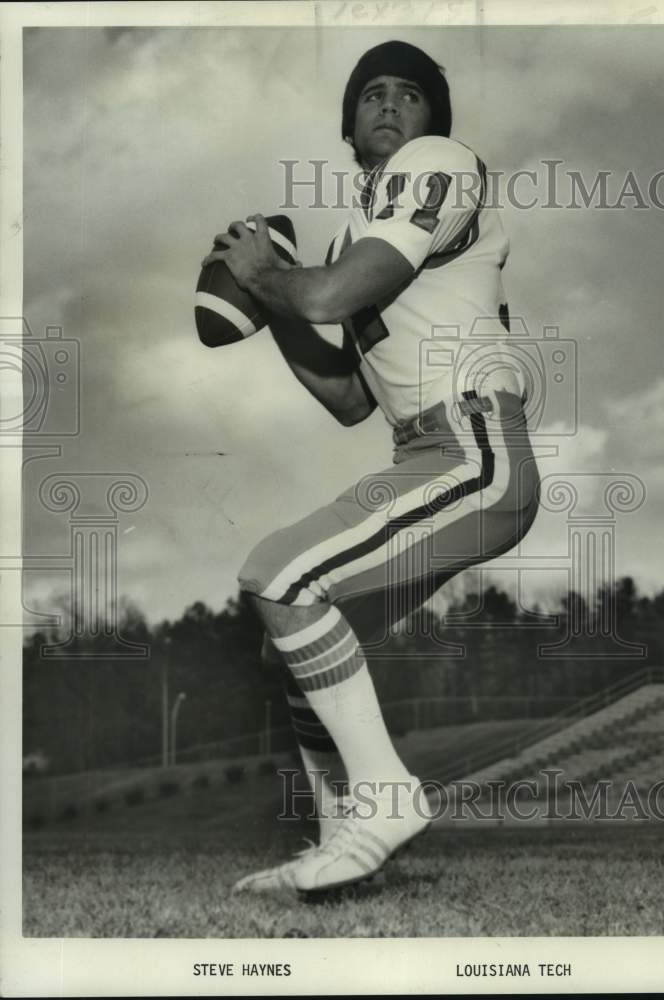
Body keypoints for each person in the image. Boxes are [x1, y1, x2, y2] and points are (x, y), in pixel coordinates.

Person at [202, 40, 540, 894]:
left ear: (434, 121)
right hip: (426, 452)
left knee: (278, 574)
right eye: (371, 96)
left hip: (472, 445)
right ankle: (338, 843)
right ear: (349, 125)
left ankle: (384, 800)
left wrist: (270, 276)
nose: (390, 106)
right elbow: (351, 397)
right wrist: (269, 304)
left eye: (411, 95)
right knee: (297, 645)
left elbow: (324, 294)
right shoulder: (364, 224)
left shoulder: (437, 163)